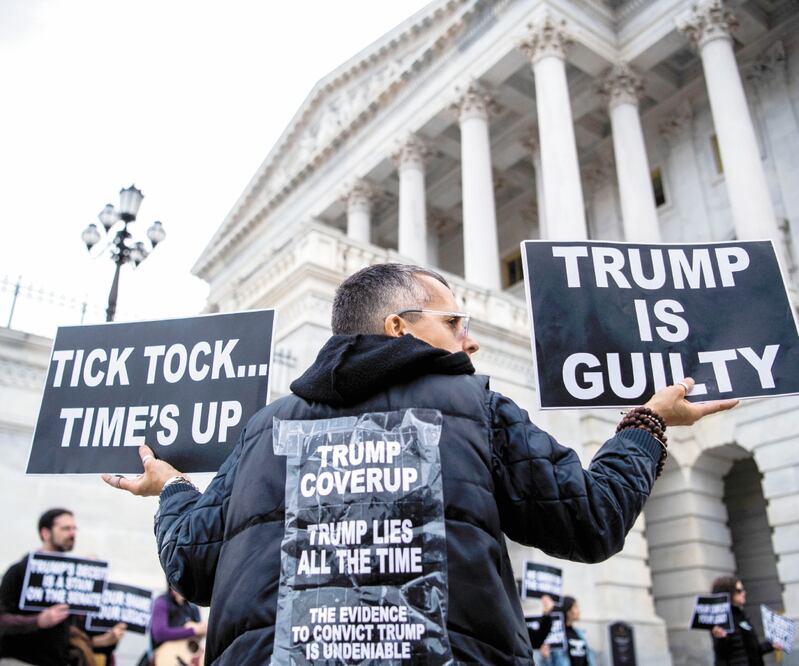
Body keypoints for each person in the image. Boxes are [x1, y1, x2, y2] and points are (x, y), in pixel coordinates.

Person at [103, 263, 737, 664]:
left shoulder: (263, 429)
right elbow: (592, 522)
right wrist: (647, 423)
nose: (471, 339)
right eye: (455, 321)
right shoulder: (475, 408)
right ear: (398, 327)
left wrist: (173, 487)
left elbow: (192, 566)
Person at [0, 509, 126, 666]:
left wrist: (104, 640)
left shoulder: (72, 576)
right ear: (45, 533)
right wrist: (38, 621)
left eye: (74, 528)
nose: (72, 533)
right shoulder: (19, 571)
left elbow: (70, 632)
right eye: (66, 528)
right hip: (20, 660)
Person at [710, 576, 781, 665]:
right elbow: (722, 654)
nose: (744, 593)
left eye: (743, 590)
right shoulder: (720, 618)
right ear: (729, 593)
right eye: (739, 591)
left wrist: (771, 645)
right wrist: (721, 639)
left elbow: (752, 650)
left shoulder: (741, 615)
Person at [541, 596, 596, 666]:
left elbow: (588, 659)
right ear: (568, 611)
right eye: (576, 607)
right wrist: (545, 658)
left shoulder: (580, 633)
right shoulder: (556, 635)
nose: (579, 611)